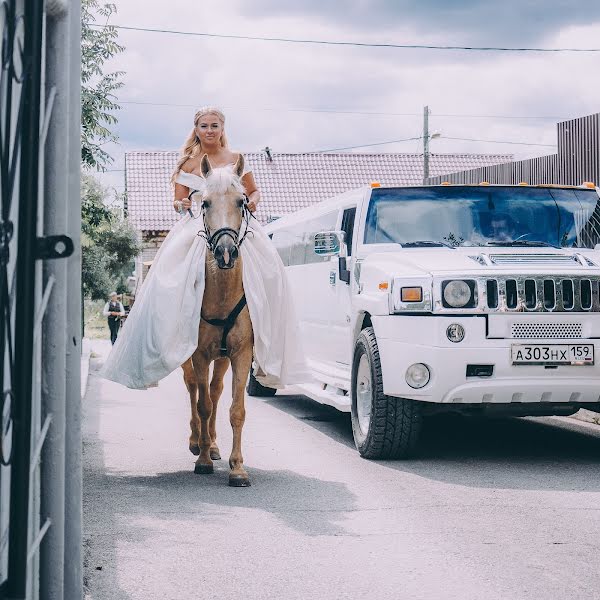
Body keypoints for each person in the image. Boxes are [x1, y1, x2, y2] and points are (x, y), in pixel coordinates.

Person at [101, 106, 310, 389]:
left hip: (235, 223)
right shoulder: (188, 163)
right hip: (200, 224)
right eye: (204, 126)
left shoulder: (236, 159)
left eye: (214, 125)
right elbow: (178, 200)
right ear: (196, 129)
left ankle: (266, 342)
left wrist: (254, 200)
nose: (209, 130)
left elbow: (254, 189)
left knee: (271, 271)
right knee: (167, 277)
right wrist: (181, 204)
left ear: (222, 129)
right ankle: (169, 335)